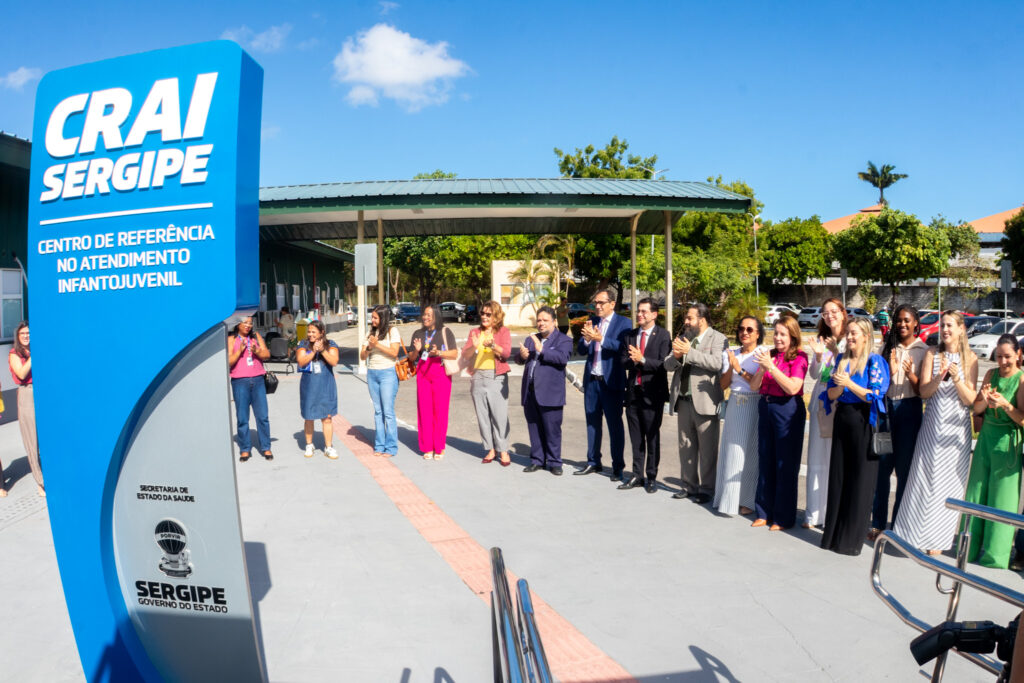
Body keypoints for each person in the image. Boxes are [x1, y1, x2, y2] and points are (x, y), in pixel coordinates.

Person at [894, 311, 978, 555]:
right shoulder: (932, 353)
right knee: (924, 478)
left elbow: (970, 400)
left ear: (961, 329)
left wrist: (957, 379)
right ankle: (913, 535)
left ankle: (938, 539)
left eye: (950, 325)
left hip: (956, 428)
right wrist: (939, 379)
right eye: (943, 326)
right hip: (933, 424)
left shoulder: (971, 358)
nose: (945, 330)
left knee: (948, 482)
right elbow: (923, 392)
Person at [819, 318, 890, 556]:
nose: (849, 337)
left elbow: (875, 396)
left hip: (864, 422)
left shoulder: (875, 361)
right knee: (839, 476)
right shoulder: (839, 359)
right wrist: (840, 386)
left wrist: (849, 382)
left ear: (866, 336)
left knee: (860, 480)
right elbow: (829, 393)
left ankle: (850, 540)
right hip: (843, 419)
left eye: (854, 334)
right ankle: (832, 535)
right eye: (848, 333)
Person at [963, 334, 1024, 568]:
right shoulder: (990, 374)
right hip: (986, 439)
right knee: (976, 492)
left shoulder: (1021, 380)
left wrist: (1006, 405)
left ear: (1018, 354)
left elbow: (1022, 419)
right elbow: (977, 408)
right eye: (999, 356)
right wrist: (985, 400)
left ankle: (995, 555)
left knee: (1002, 499)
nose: (1003, 361)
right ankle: (968, 548)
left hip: (1007, 443)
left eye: (1007, 356)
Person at [869, 305, 927, 541]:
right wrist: (890, 373)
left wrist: (911, 374)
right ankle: (877, 523)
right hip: (886, 412)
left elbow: (923, 391)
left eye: (907, 320)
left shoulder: (924, 351)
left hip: (909, 412)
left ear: (916, 323)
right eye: (899, 320)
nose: (902, 324)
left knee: (904, 471)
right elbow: (877, 384)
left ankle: (898, 525)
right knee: (882, 470)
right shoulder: (887, 347)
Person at [749, 315, 808, 530]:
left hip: (787, 410)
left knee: (785, 463)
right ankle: (764, 512)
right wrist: (763, 368)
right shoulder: (769, 355)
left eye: (783, 334)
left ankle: (783, 517)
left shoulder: (799, 357)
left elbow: (793, 387)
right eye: (776, 333)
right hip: (766, 407)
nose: (778, 338)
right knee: (766, 459)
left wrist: (772, 369)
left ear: (793, 336)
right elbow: (754, 386)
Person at [664, 303, 727, 503]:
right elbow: (667, 365)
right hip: (683, 400)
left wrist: (689, 352)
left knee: (707, 450)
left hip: (705, 402)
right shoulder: (685, 337)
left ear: (702, 320)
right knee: (686, 446)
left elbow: (716, 363)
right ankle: (689, 486)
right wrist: (676, 356)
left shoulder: (718, 338)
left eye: (690, 318)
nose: (686, 321)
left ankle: (707, 490)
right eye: (686, 318)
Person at [576, 289, 631, 480]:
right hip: (592, 380)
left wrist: (601, 339)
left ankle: (617, 466)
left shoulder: (624, 323)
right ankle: (593, 462)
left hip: (611, 382)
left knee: (614, 425)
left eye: (601, 303)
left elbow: (623, 347)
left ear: (612, 304)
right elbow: (581, 350)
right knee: (592, 423)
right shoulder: (593, 322)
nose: (597, 306)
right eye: (595, 303)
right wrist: (586, 339)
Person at [713, 316, 764, 516]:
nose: (745, 332)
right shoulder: (730, 353)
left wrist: (739, 369)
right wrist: (730, 367)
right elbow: (723, 384)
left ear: (758, 334)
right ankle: (727, 498)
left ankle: (747, 500)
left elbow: (758, 384)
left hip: (754, 403)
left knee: (750, 453)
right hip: (735, 403)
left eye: (750, 329)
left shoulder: (762, 354)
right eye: (742, 329)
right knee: (731, 451)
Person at [619, 298, 671, 493]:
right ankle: (636, 475)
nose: (639, 314)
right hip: (633, 393)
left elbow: (663, 365)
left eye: (644, 311)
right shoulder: (630, 335)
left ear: (654, 314)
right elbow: (623, 360)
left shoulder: (663, 336)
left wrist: (642, 359)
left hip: (652, 395)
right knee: (636, 438)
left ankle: (651, 477)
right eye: (638, 311)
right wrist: (634, 361)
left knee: (652, 437)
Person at [804, 298, 848, 528]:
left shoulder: (851, 338)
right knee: (816, 459)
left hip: (840, 402)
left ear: (843, 313)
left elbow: (850, 368)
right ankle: (813, 514)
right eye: (825, 313)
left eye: (834, 311)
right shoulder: (821, 339)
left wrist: (836, 352)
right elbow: (814, 374)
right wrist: (820, 356)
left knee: (835, 461)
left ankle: (833, 514)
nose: (830, 316)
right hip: (820, 400)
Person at [517, 306, 571, 475]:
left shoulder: (564, 340)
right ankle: (537, 460)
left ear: (554, 322)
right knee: (534, 427)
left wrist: (542, 350)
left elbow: (562, 358)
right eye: (539, 320)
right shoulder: (530, 339)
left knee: (552, 429)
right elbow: (519, 359)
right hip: (530, 391)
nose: (541, 323)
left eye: (545, 320)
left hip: (550, 393)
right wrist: (522, 356)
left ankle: (554, 462)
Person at [462, 301, 513, 466]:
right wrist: (474, 346)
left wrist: (493, 345)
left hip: (496, 376)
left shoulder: (503, 331)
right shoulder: (475, 332)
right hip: (478, 376)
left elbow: (506, 353)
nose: (484, 316)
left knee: (499, 415)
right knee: (483, 416)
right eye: (482, 313)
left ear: (496, 316)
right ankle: (490, 448)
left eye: (488, 314)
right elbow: (466, 355)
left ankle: (503, 449)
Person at [410, 304, 458, 460]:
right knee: (424, 410)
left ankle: (439, 446)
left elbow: (454, 353)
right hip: (423, 372)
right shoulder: (418, 333)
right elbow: (411, 358)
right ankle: (427, 447)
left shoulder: (445, 331)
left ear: (436, 316)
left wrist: (439, 352)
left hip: (440, 371)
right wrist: (417, 350)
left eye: (429, 315)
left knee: (440, 410)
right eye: (424, 314)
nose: (425, 317)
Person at [227, 316, 273, 462]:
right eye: (245, 323)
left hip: (258, 380)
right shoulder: (231, 339)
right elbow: (228, 361)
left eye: (250, 323)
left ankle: (266, 447)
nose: (248, 325)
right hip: (240, 381)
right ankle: (245, 449)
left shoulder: (256, 336)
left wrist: (257, 350)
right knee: (242, 418)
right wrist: (239, 351)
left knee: (263, 416)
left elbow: (267, 354)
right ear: (238, 324)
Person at [360, 305, 402, 458]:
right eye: (372, 317)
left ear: (383, 318)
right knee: (378, 411)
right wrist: (369, 348)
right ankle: (379, 445)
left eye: (375, 317)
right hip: (372, 373)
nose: (372, 320)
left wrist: (377, 344)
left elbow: (394, 352)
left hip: (388, 373)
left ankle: (391, 447)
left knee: (388, 411)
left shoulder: (392, 331)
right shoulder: (370, 333)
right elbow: (362, 356)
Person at [296, 319, 341, 459]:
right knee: (309, 417)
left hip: (326, 385)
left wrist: (322, 351)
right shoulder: (303, 344)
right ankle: (309, 444)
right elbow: (301, 362)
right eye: (309, 332)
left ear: (322, 332)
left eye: (313, 332)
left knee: (327, 418)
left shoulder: (331, 344)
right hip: (309, 386)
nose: (310, 334)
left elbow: (334, 361)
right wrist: (313, 352)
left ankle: (328, 447)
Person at [8, 322, 43, 497]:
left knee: (44, 438)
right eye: (23, 334)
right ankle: (41, 482)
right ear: (18, 336)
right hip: (27, 393)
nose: (26, 336)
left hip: (42, 392)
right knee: (32, 440)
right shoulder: (15, 354)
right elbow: (21, 373)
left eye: (28, 333)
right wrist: (34, 355)